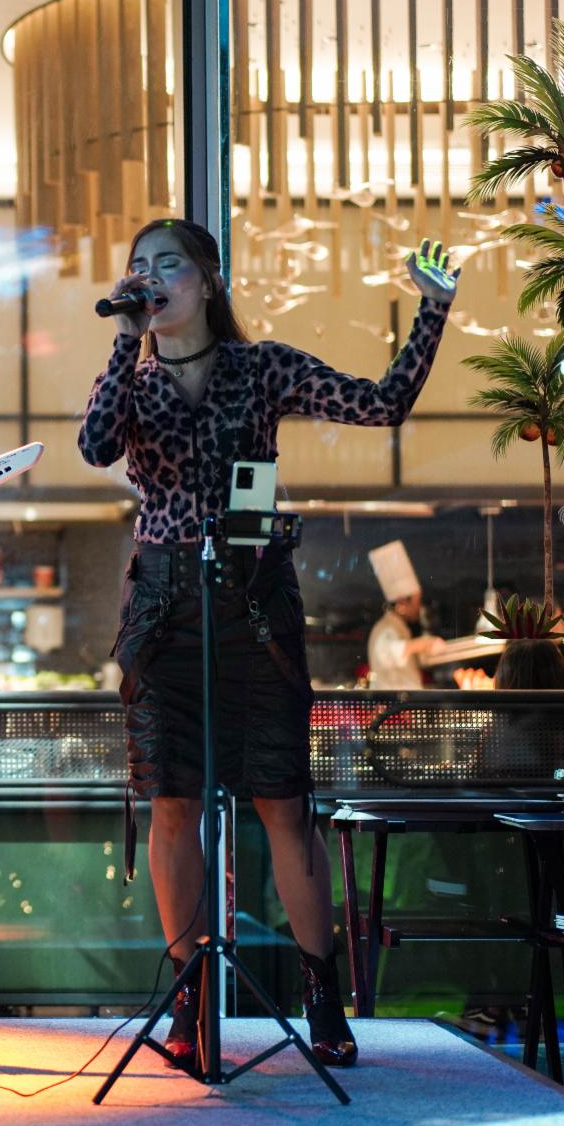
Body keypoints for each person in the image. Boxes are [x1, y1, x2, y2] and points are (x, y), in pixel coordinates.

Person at [79, 217, 457, 1071]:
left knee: (282, 801)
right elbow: (95, 445)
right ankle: (188, 1002)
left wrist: (430, 310)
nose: (150, 277)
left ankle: (323, 995)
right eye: (137, 266)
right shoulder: (131, 382)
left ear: (209, 282)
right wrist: (123, 346)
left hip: (252, 604)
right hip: (164, 610)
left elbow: (381, 404)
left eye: (167, 265)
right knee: (172, 801)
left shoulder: (263, 367)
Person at [366, 542, 444, 689]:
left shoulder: (399, 629)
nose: (419, 607)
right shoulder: (385, 629)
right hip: (394, 709)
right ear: (402, 604)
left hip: (405, 708)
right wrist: (426, 642)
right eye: (416, 602)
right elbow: (392, 650)